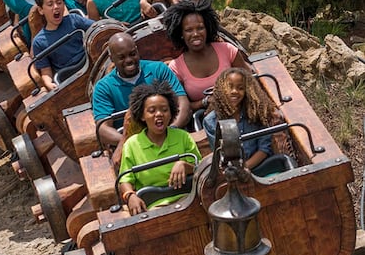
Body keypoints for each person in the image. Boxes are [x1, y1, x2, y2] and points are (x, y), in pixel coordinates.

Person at [91, 33, 191, 149]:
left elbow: (183, 104)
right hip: (133, 147)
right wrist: (138, 143)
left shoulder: (159, 69)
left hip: (170, 137)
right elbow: (103, 129)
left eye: (132, 54)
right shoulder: (104, 87)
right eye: (122, 57)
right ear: (112, 58)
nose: (129, 60)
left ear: (137, 51)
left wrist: (172, 129)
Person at [119, 80, 200, 214]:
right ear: (142, 116)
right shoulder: (132, 145)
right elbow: (125, 180)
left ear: (171, 113)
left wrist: (184, 165)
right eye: (152, 111)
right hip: (153, 208)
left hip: (189, 200)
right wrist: (130, 196)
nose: (159, 114)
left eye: (164, 110)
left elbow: (201, 169)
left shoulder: (183, 137)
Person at [164, 0, 245, 112]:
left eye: (200, 28)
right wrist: (206, 101)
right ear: (181, 34)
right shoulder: (176, 67)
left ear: (207, 28)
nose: (196, 34)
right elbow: (181, 106)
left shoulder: (228, 50)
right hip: (206, 118)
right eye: (189, 30)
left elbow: (250, 82)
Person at [203, 68, 274, 171]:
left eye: (240, 88)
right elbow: (219, 155)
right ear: (221, 90)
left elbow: (264, 148)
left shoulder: (256, 112)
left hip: (260, 166)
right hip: (231, 171)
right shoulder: (210, 121)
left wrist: (245, 168)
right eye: (229, 87)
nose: (235, 92)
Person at [30, 0, 93, 92]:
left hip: (90, 61)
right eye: (50, 4)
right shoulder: (39, 42)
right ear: (41, 10)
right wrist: (49, 83)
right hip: (71, 77)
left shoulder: (74, 19)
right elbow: (46, 72)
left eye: (59, 2)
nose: (56, 7)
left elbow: (97, 27)